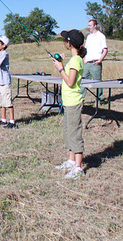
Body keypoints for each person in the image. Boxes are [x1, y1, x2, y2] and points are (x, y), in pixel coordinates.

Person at [52, 29, 87, 180]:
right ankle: (71, 161)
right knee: (69, 132)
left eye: (65, 40)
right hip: (68, 102)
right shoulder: (74, 60)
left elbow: (70, 82)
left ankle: (78, 168)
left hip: (73, 103)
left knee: (74, 134)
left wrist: (60, 67)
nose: (63, 42)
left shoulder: (76, 60)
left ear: (69, 43)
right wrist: (62, 64)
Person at [83, 19, 108, 100]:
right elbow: (85, 49)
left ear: (95, 26)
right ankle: (80, 99)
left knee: (98, 82)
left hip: (95, 63)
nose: (89, 27)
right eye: (88, 25)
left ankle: (99, 99)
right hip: (87, 63)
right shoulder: (89, 37)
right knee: (83, 82)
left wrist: (100, 60)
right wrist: (84, 59)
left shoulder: (101, 36)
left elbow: (105, 50)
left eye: (90, 25)